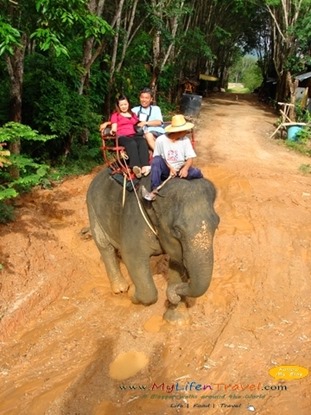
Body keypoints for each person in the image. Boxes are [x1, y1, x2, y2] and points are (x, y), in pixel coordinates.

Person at [141, 114, 203, 201]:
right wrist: (170, 168)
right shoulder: (161, 140)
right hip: (167, 169)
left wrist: (185, 168)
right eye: (185, 130)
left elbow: (190, 158)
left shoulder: (185, 140)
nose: (187, 132)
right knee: (156, 160)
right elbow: (158, 156)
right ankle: (154, 189)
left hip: (180, 170)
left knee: (197, 172)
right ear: (178, 131)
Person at [109, 95, 151, 177]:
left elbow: (138, 124)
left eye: (125, 104)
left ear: (128, 104)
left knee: (142, 141)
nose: (124, 106)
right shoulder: (116, 115)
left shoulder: (132, 114)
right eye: (121, 105)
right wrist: (113, 130)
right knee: (131, 143)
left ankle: (145, 165)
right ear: (118, 106)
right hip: (122, 136)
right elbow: (114, 125)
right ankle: (136, 166)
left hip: (133, 135)